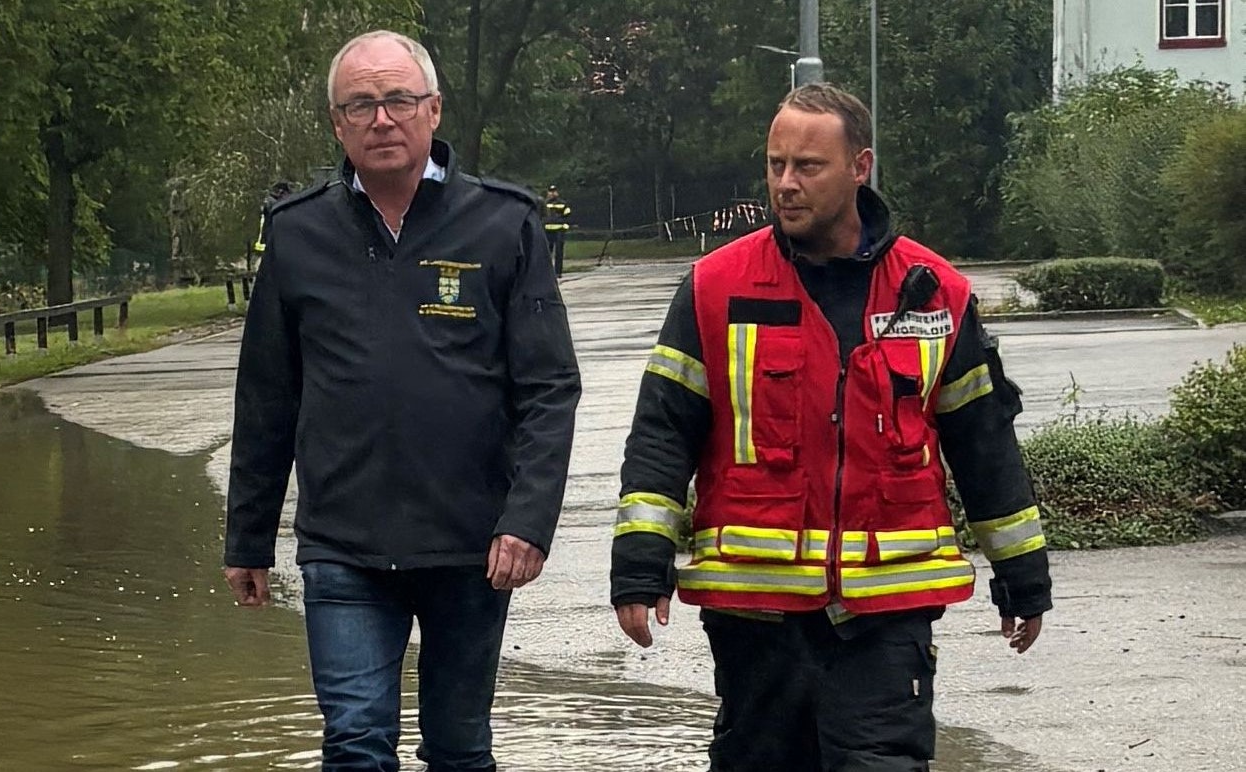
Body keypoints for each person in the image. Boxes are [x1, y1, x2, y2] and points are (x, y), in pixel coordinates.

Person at [610, 83, 1053, 771]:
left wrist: (1022, 576)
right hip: (756, 615)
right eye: (775, 164)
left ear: (860, 166)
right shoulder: (715, 287)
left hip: (886, 616)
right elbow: (663, 432)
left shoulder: (935, 293)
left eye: (807, 166)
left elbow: (983, 441)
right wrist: (640, 567)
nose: (786, 183)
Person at [223, 30, 582, 772]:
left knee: (458, 748)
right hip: (343, 547)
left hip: (471, 547)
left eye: (398, 101)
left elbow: (549, 390)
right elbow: (266, 398)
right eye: (361, 105)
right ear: (337, 123)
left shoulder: (505, 224)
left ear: (433, 109)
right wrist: (248, 538)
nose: (381, 119)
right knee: (355, 742)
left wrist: (528, 521)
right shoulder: (296, 236)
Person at [542, 185, 571, 276]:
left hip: (559, 230)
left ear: (557, 192)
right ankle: (546, 272)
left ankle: (558, 272)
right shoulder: (544, 204)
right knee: (546, 252)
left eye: (554, 191)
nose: (552, 193)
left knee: (559, 251)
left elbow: (568, 215)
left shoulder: (563, 203)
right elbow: (541, 215)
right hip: (548, 230)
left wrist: (564, 225)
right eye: (550, 191)